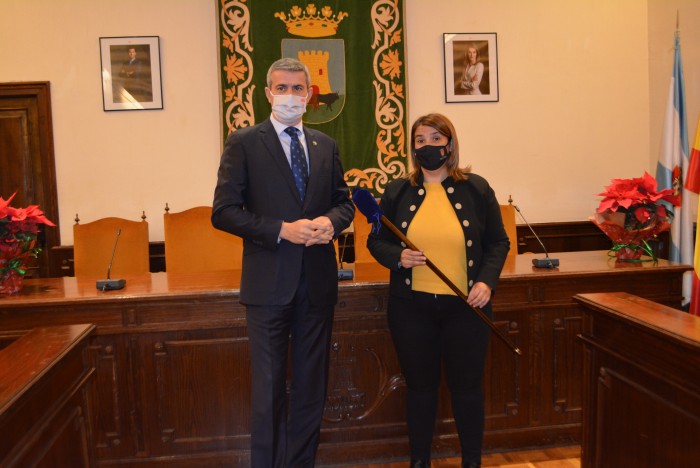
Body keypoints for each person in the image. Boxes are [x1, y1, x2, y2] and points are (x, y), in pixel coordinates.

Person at [212, 57, 354, 467]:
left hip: (318, 282)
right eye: (282, 88)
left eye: (298, 89)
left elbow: (343, 202)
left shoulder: (325, 146)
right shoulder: (243, 142)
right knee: (269, 389)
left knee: (312, 386)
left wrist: (331, 221)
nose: (290, 96)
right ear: (267, 93)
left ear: (310, 96)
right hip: (268, 284)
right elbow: (223, 212)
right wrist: (281, 230)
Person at [366, 113, 509, 468]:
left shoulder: (476, 188)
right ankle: (420, 462)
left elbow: (498, 242)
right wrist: (399, 256)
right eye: (420, 140)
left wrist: (486, 281)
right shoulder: (398, 190)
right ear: (412, 148)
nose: (427, 146)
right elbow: (376, 242)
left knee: (467, 389)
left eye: (435, 138)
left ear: (450, 143)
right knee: (420, 389)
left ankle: (471, 462)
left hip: (466, 308)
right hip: (411, 310)